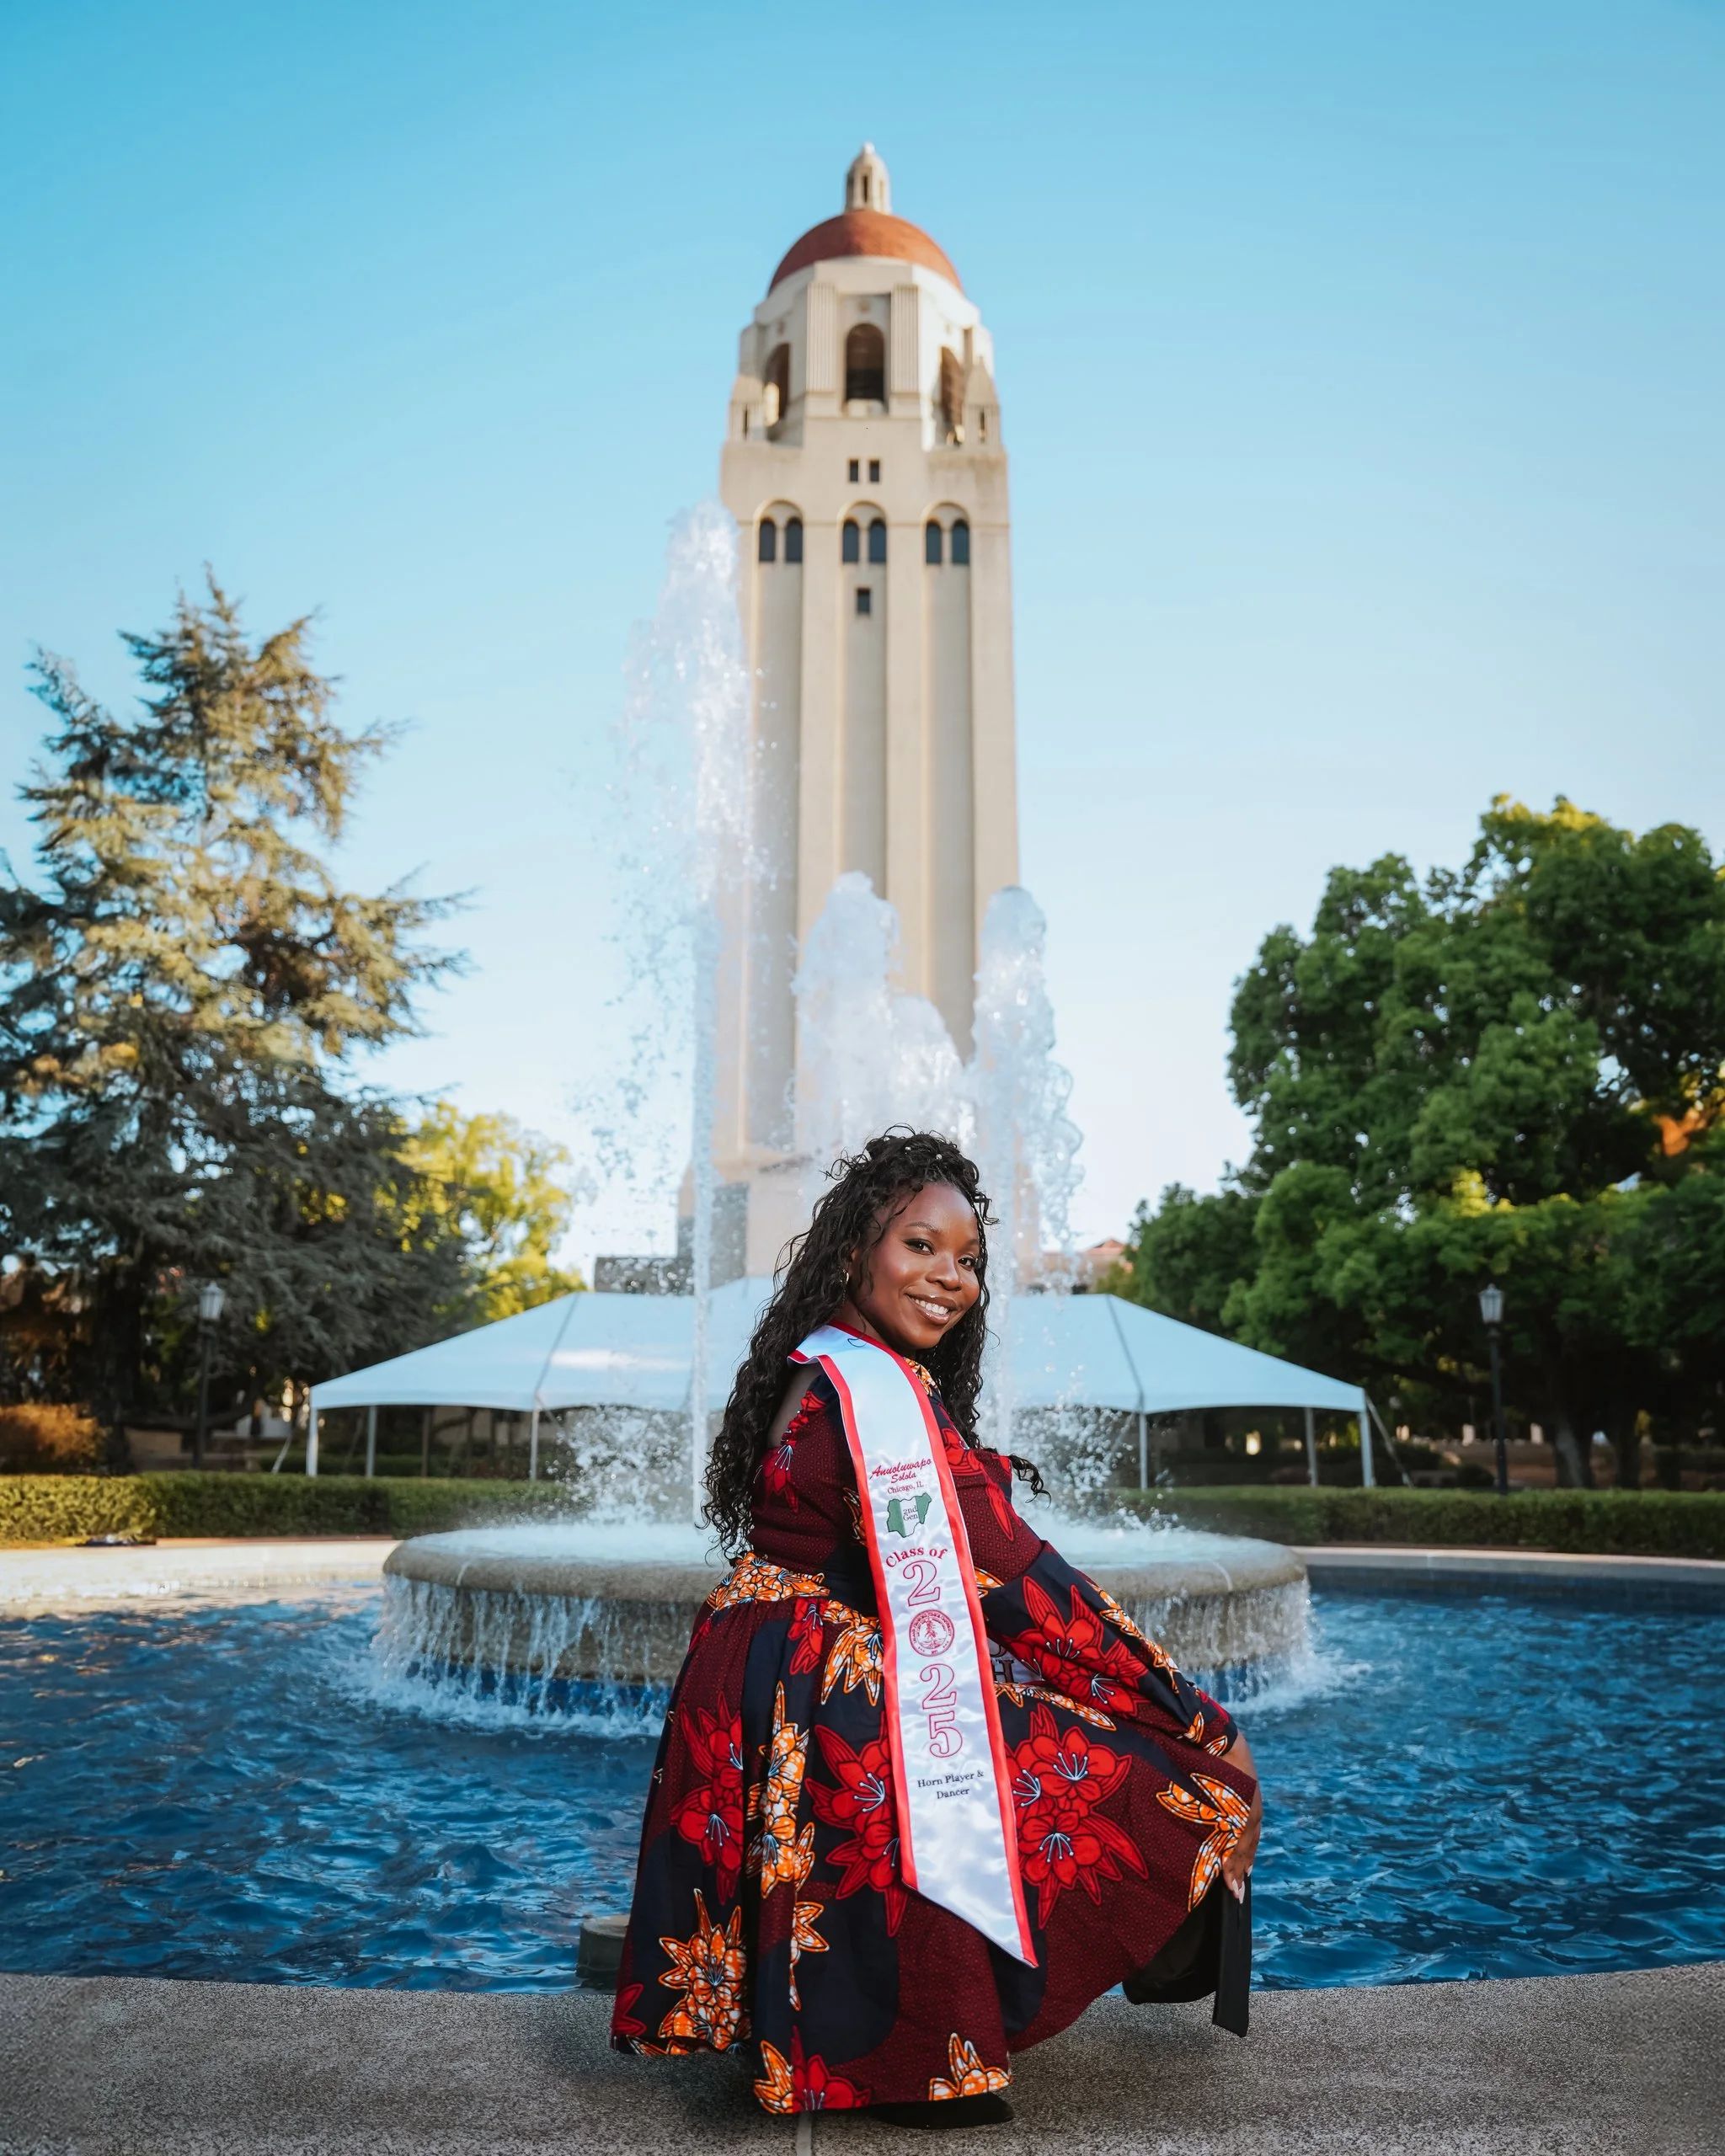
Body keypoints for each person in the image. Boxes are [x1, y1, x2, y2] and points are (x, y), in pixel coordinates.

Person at [610, 1131, 1263, 2127]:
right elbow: (1022, 1583)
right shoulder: (873, 1393)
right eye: (920, 1246)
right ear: (854, 1251)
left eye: (967, 1260)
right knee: (1141, 1778)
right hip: (819, 1683)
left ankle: (850, 2028)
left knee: (976, 1755)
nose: (949, 1278)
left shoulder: (819, 1365)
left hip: (758, 1666)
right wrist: (1196, 1717)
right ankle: (903, 2053)